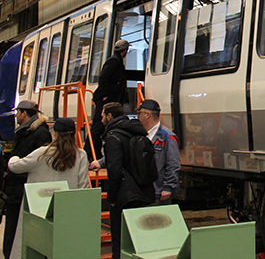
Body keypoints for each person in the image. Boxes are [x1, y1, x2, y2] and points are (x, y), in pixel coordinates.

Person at [7, 118, 89, 259]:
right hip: (65, 212)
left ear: (55, 134)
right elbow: (83, 187)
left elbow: (15, 167)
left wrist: (13, 157)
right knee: (60, 249)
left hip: (38, 210)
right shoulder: (80, 155)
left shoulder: (42, 153)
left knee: (35, 246)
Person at [100, 102, 154, 259]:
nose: (101, 119)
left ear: (109, 116)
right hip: (141, 191)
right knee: (137, 240)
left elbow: (114, 170)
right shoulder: (136, 132)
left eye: (102, 116)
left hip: (124, 195)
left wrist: (112, 198)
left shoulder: (113, 137)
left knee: (119, 240)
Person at [2, 100, 51, 259]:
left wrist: (15, 165)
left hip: (24, 188)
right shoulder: (24, 130)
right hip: (16, 187)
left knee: (17, 228)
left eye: (18, 112)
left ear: (24, 113)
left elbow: (38, 162)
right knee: (12, 227)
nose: (16, 115)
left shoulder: (39, 133)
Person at [90, 39, 130, 160]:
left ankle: (94, 154)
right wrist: (105, 95)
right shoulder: (114, 61)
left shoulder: (115, 60)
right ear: (125, 50)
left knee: (99, 127)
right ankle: (93, 154)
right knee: (98, 127)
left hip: (109, 99)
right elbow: (104, 78)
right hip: (106, 100)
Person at [136, 99, 180, 204]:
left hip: (159, 193)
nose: (137, 117)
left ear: (147, 115)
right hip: (142, 191)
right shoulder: (140, 135)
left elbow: (173, 163)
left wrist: (168, 187)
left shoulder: (167, 137)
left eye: (139, 113)